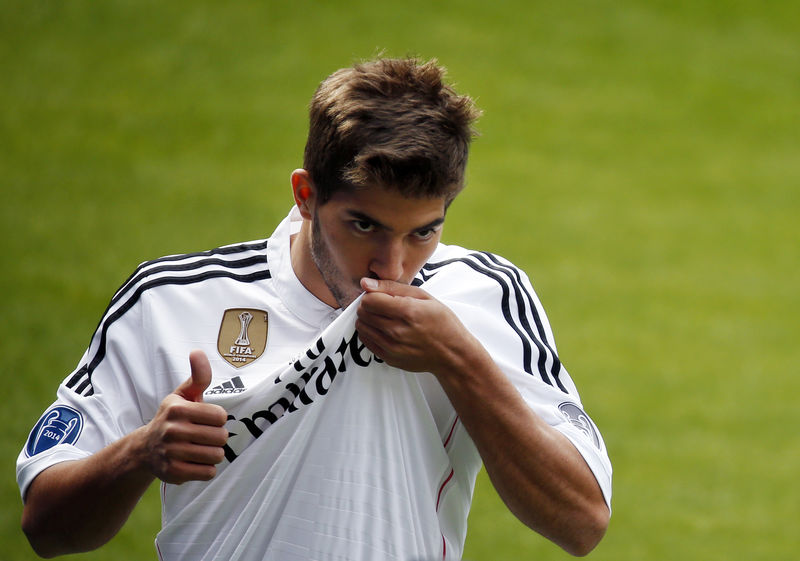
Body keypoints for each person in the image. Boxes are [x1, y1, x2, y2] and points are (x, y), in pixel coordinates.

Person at [18, 57, 612, 560]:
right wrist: (140, 453)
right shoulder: (171, 299)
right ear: (306, 195)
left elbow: (581, 521)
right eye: (364, 225)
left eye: (423, 233)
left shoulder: (484, 295)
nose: (392, 266)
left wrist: (458, 358)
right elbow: (44, 524)